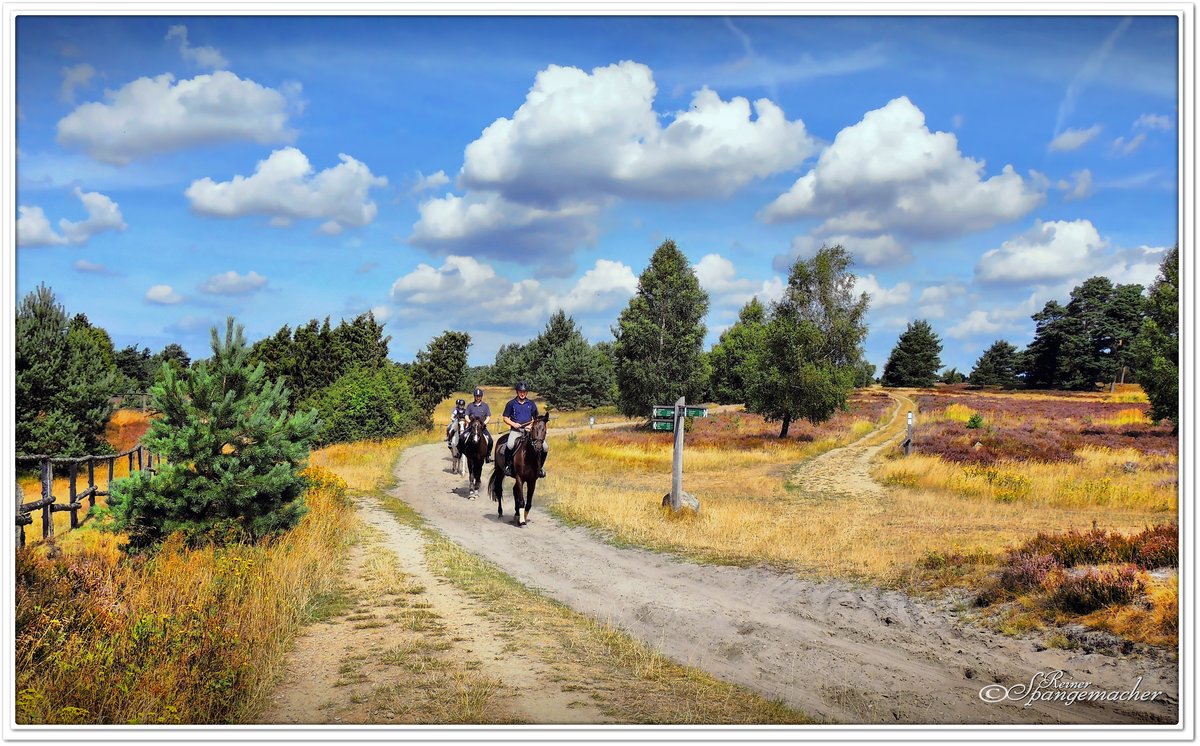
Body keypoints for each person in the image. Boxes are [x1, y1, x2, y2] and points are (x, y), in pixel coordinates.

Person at [500, 381, 547, 478]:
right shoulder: (511, 404)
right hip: (516, 431)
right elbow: (505, 417)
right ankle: (508, 466)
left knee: (545, 447)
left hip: (529, 431)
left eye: (524, 392)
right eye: (520, 392)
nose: (522, 394)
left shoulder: (531, 404)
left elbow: (536, 419)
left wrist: (530, 425)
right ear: (517, 392)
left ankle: (540, 468)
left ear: (527, 393)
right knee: (510, 445)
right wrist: (514, 424)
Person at [464, 387, 494, 462]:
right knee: (462, 437)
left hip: (482, 427)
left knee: (490, 440)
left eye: (479, 396)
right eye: (476, 396)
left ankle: (488, 455)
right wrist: (469, 422)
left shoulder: (485, 406)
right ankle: (461, 452)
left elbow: (488, 416)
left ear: (481, 397)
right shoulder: (470, 406)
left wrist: (484, 423)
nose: (478, 398)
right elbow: (466, 415)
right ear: (474, 396)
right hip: (472, 427)